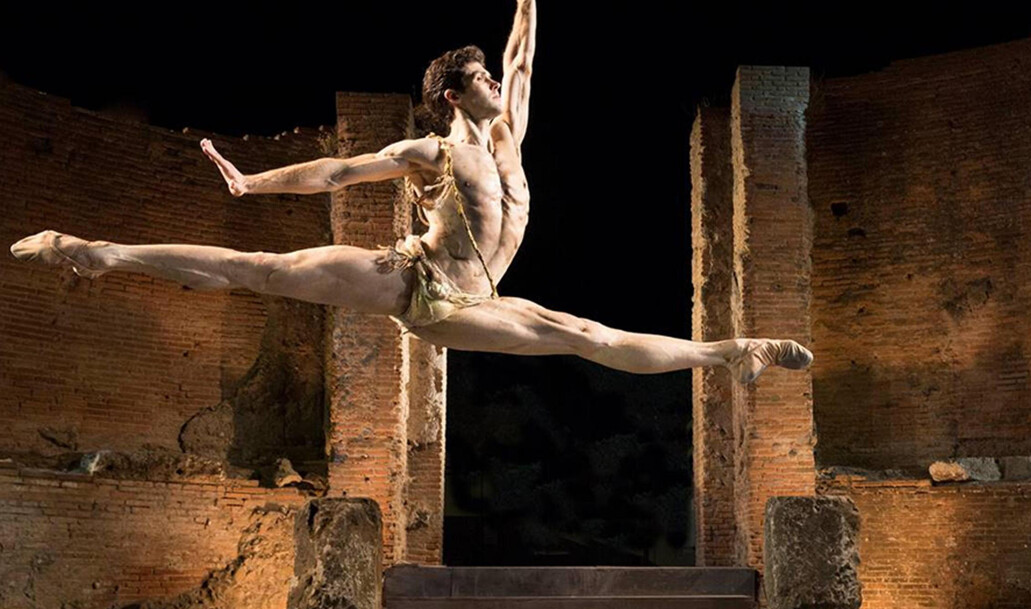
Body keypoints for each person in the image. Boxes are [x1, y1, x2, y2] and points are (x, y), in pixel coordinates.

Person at [10, 0, 811, 383]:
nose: (499, 81)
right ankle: (98, 252)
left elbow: (525, 51)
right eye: (483, 78)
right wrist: (253, 179)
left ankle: (739, 351)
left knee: (585, 332)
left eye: (494, 73)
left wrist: (526, 6)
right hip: (418, 284)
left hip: (482, 296)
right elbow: (335, 172)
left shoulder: (510, 136)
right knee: (264, 268)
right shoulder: (429, 150)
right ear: (454, 96)